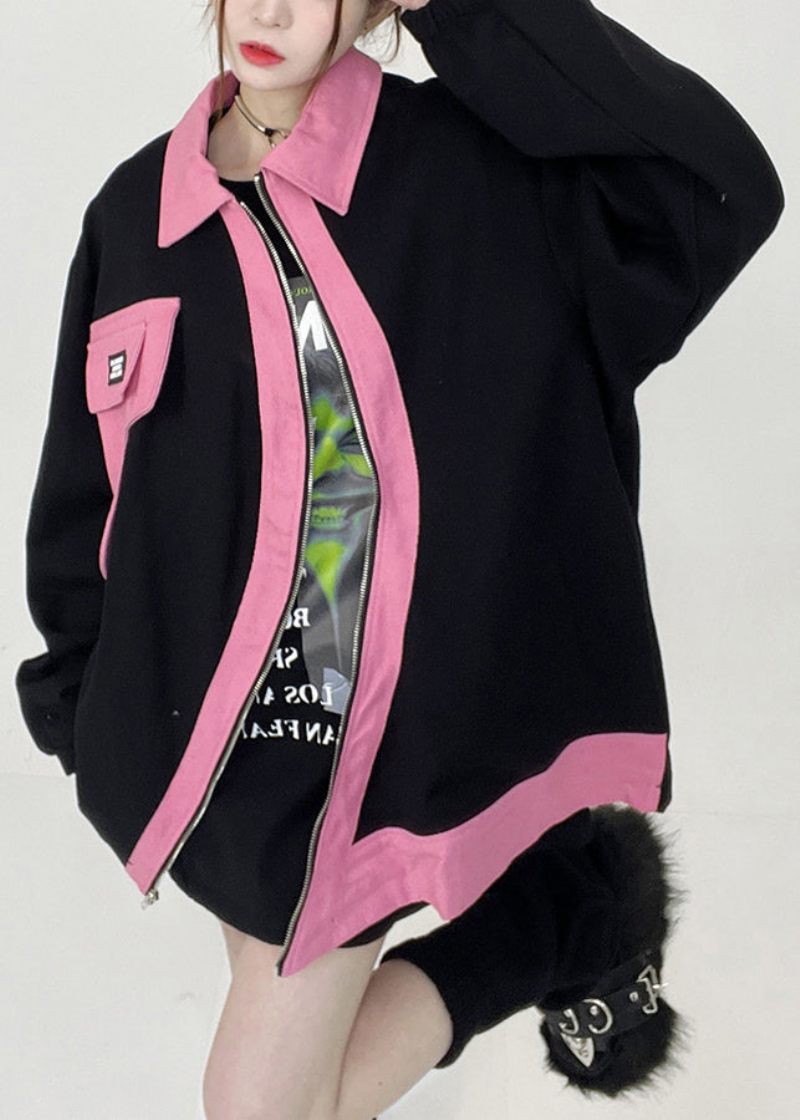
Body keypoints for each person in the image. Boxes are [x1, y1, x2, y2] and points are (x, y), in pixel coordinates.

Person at [15, 0, 783, 1116]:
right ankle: (564, 912)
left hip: (384, 747)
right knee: (307, 1082)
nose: (269, 10)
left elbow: (715, 189)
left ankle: (553, 917)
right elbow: (86, 496)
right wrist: (86, 716)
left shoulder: (474, 171)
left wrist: (464, 12)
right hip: (213, 760)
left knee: (263, 1104)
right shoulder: (137, 214)